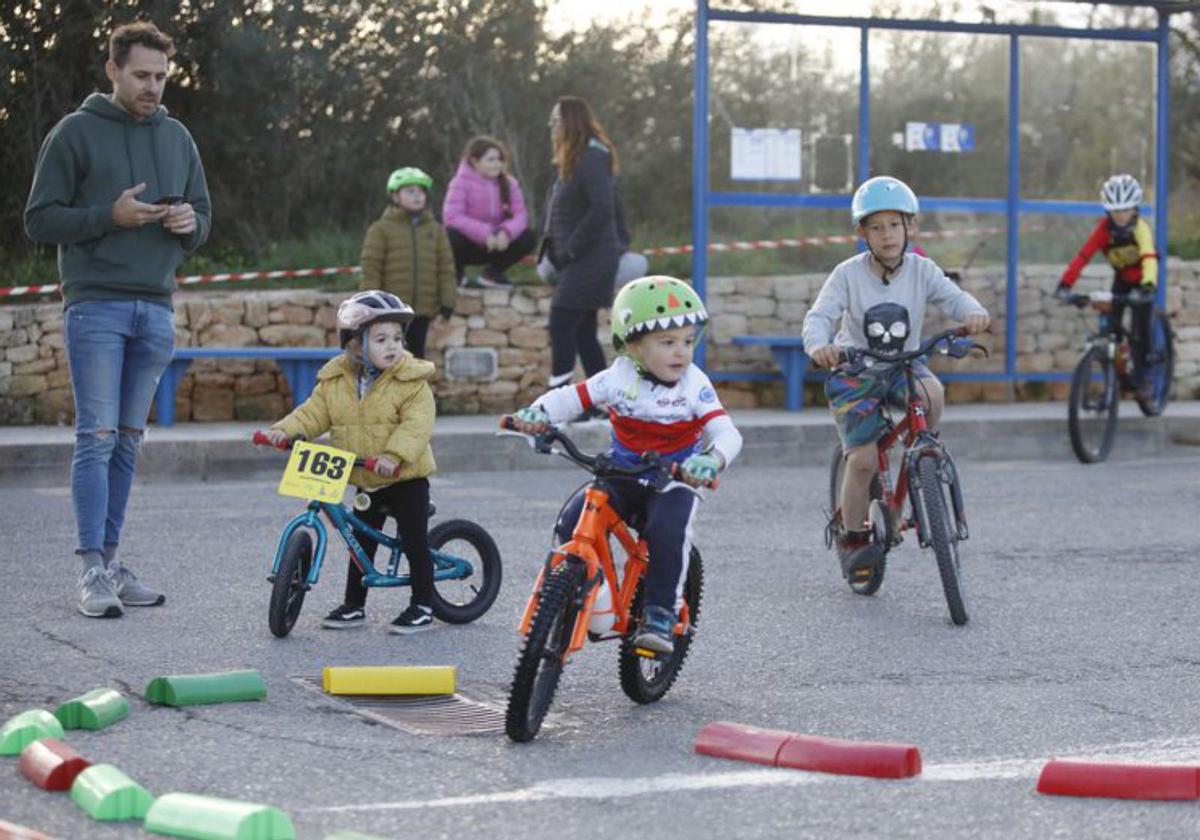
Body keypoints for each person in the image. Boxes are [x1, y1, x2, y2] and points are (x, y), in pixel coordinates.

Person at [23, 21, 212, 619]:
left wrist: (189, 226)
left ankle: (111, 561)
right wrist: (111, 216)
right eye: (141, 75)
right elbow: (39, 219)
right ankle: (89, 573)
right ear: (113, 70)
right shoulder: (74, 133)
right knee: (96, 436)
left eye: (161, 76)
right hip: (96, 304)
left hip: (156, 308)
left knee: (128, 442)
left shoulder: (178, 137)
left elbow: (203, 215)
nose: (153, 86)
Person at [510, 276, 743, 654]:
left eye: (687, 341)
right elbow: (571, 398)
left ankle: (660, 615)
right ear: (633, 345)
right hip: (622, 474)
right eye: (667, 343)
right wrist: (537, 413)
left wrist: (710, 459)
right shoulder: (617, 377)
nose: (681, 352)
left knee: (669, 530)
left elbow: (726, 432)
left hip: (674, 478)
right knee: (572, 522)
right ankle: (584, 588)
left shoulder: (694, 385)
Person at [801, 177, 989, 584]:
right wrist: (819, 345)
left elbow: (953, 297)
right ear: (862, 233)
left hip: (906, 364)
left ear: (911, 228)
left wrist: (973, 313)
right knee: (864, 459)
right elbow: (819, 317)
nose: (886, 235)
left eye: (894, 225)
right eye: (876, 227)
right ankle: (853, 538)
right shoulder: (847, 274)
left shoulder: (922, 270)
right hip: (856, 371)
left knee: (933, 394)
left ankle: (922, 454)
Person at [265, 290, 439, 634]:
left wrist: (394, 456)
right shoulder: (336, 381)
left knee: (414, 539)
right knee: (360, 542)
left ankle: (422, 604)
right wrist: (284, 431)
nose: (392, 346)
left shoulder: (411, 381)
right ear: (355, 344)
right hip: (365, 477)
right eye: (381, 339)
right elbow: (313, 414)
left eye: (397, 339)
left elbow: (417, 424)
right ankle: (354, 605)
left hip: (404, 476)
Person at [541, 96, 620, 399]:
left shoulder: (592, 156)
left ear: (572, 122)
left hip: (591, 258)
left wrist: (571, 249)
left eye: (557, 120)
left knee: (561, 322)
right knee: (584, 332)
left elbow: (603, 208)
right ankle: (602, 402)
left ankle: (556, 399)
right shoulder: (573, 157)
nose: (553, 126)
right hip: (577, 259)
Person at [1056, 174, 1158, 399]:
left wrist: (1148, 285)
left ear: (1134, 208)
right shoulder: (1103, 229)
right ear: (1108, 211)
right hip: (1121, 279)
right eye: (1115, 210)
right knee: (1112, 328)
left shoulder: (1140, 228)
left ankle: (1147, 373)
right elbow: (1083, 256)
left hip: (1143, 280)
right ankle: (1118, 376)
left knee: (1141, 327)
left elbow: (1150, 256)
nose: (1120, 215)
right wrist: (1065, 284)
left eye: (1125, 210)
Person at [359, 167, 456, 360]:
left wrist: (447, 302)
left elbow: (446, 268)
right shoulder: (380, 229)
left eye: (421, 191)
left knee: (416, 359)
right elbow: (371, 267)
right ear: (395, 196)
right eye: (410, 191)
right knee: (389, 359)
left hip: (421, 311)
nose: (417, 196)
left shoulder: (436, 230)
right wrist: (369, 304)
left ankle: (415, 392)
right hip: (389, 311)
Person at [442, 136, 537, 288]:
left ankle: (493, 274)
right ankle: (457, 276)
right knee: (450, 235)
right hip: (470, 245)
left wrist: (506, 232)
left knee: (529, 237)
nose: (497, 164)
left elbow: (520, 215)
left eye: (500, 159)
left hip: (498, 245)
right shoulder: (459, 182)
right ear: (475, 161)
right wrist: (485, 233)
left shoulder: (510, 183)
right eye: (491, 160)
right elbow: (452, 216)